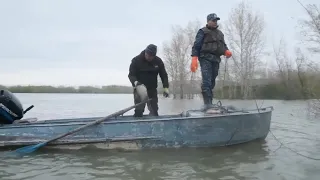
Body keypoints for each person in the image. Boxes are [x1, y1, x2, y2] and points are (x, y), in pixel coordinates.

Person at [190, 13, 232, 110]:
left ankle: (210, 102)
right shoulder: (202, 32)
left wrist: (226, 51)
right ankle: (207, 104)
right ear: (208, 21)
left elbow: (223, 46)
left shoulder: (220, 33)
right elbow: (196, 45)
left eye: (216, 20)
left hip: (216, 59)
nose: (215, 22)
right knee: (207, 81)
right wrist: (194, 58)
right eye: (213, 20)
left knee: (212, 81)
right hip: (205, 58)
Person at [128, 44, 170, 117]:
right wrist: (136, 82)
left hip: (152, 89)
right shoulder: (136, 60)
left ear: (154, 56)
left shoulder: (158, 61)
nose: (149, 57)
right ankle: (137, 123)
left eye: (151, 56)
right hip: (139, 89)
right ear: (145, 53)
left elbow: (164, 75)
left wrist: (166, 87)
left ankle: (154, 124)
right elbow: (131, 75)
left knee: (154, 111)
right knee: (139, 111)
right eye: (147, 55)